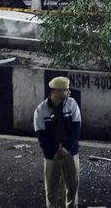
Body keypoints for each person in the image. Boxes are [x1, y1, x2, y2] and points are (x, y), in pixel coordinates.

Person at [34, 76, 82, 208]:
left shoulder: (72, 104)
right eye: (66, 90)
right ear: (56, 91)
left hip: (70, 152)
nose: (69, 92)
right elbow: (41, 135)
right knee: (51, 190)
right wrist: (54, 151)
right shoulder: (41, 109)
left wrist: (67, 148)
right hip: (51, 154)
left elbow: (76, 130)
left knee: (72, 187)